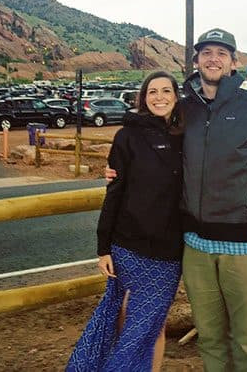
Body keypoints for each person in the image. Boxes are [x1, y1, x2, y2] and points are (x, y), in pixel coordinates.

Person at [107, 28, 247, 371]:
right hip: (194, 246)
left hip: (244, 245)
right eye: (206, 52)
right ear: (195, 61)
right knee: (209, 339)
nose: (213, 59)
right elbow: (144, 131)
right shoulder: (185, 110)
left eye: (222, 53)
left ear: (234, 62)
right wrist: (117, 167)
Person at [67, 71, 184, 372]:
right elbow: (114, 193)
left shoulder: (186, 135)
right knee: (125, 316)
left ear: (176, 96)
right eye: (152, 91)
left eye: (166, 91)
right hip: (128, 245)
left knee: (153, 322)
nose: (160, 97)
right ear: (143, 98)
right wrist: (103, 247)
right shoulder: (127, 136)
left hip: (169, 251)